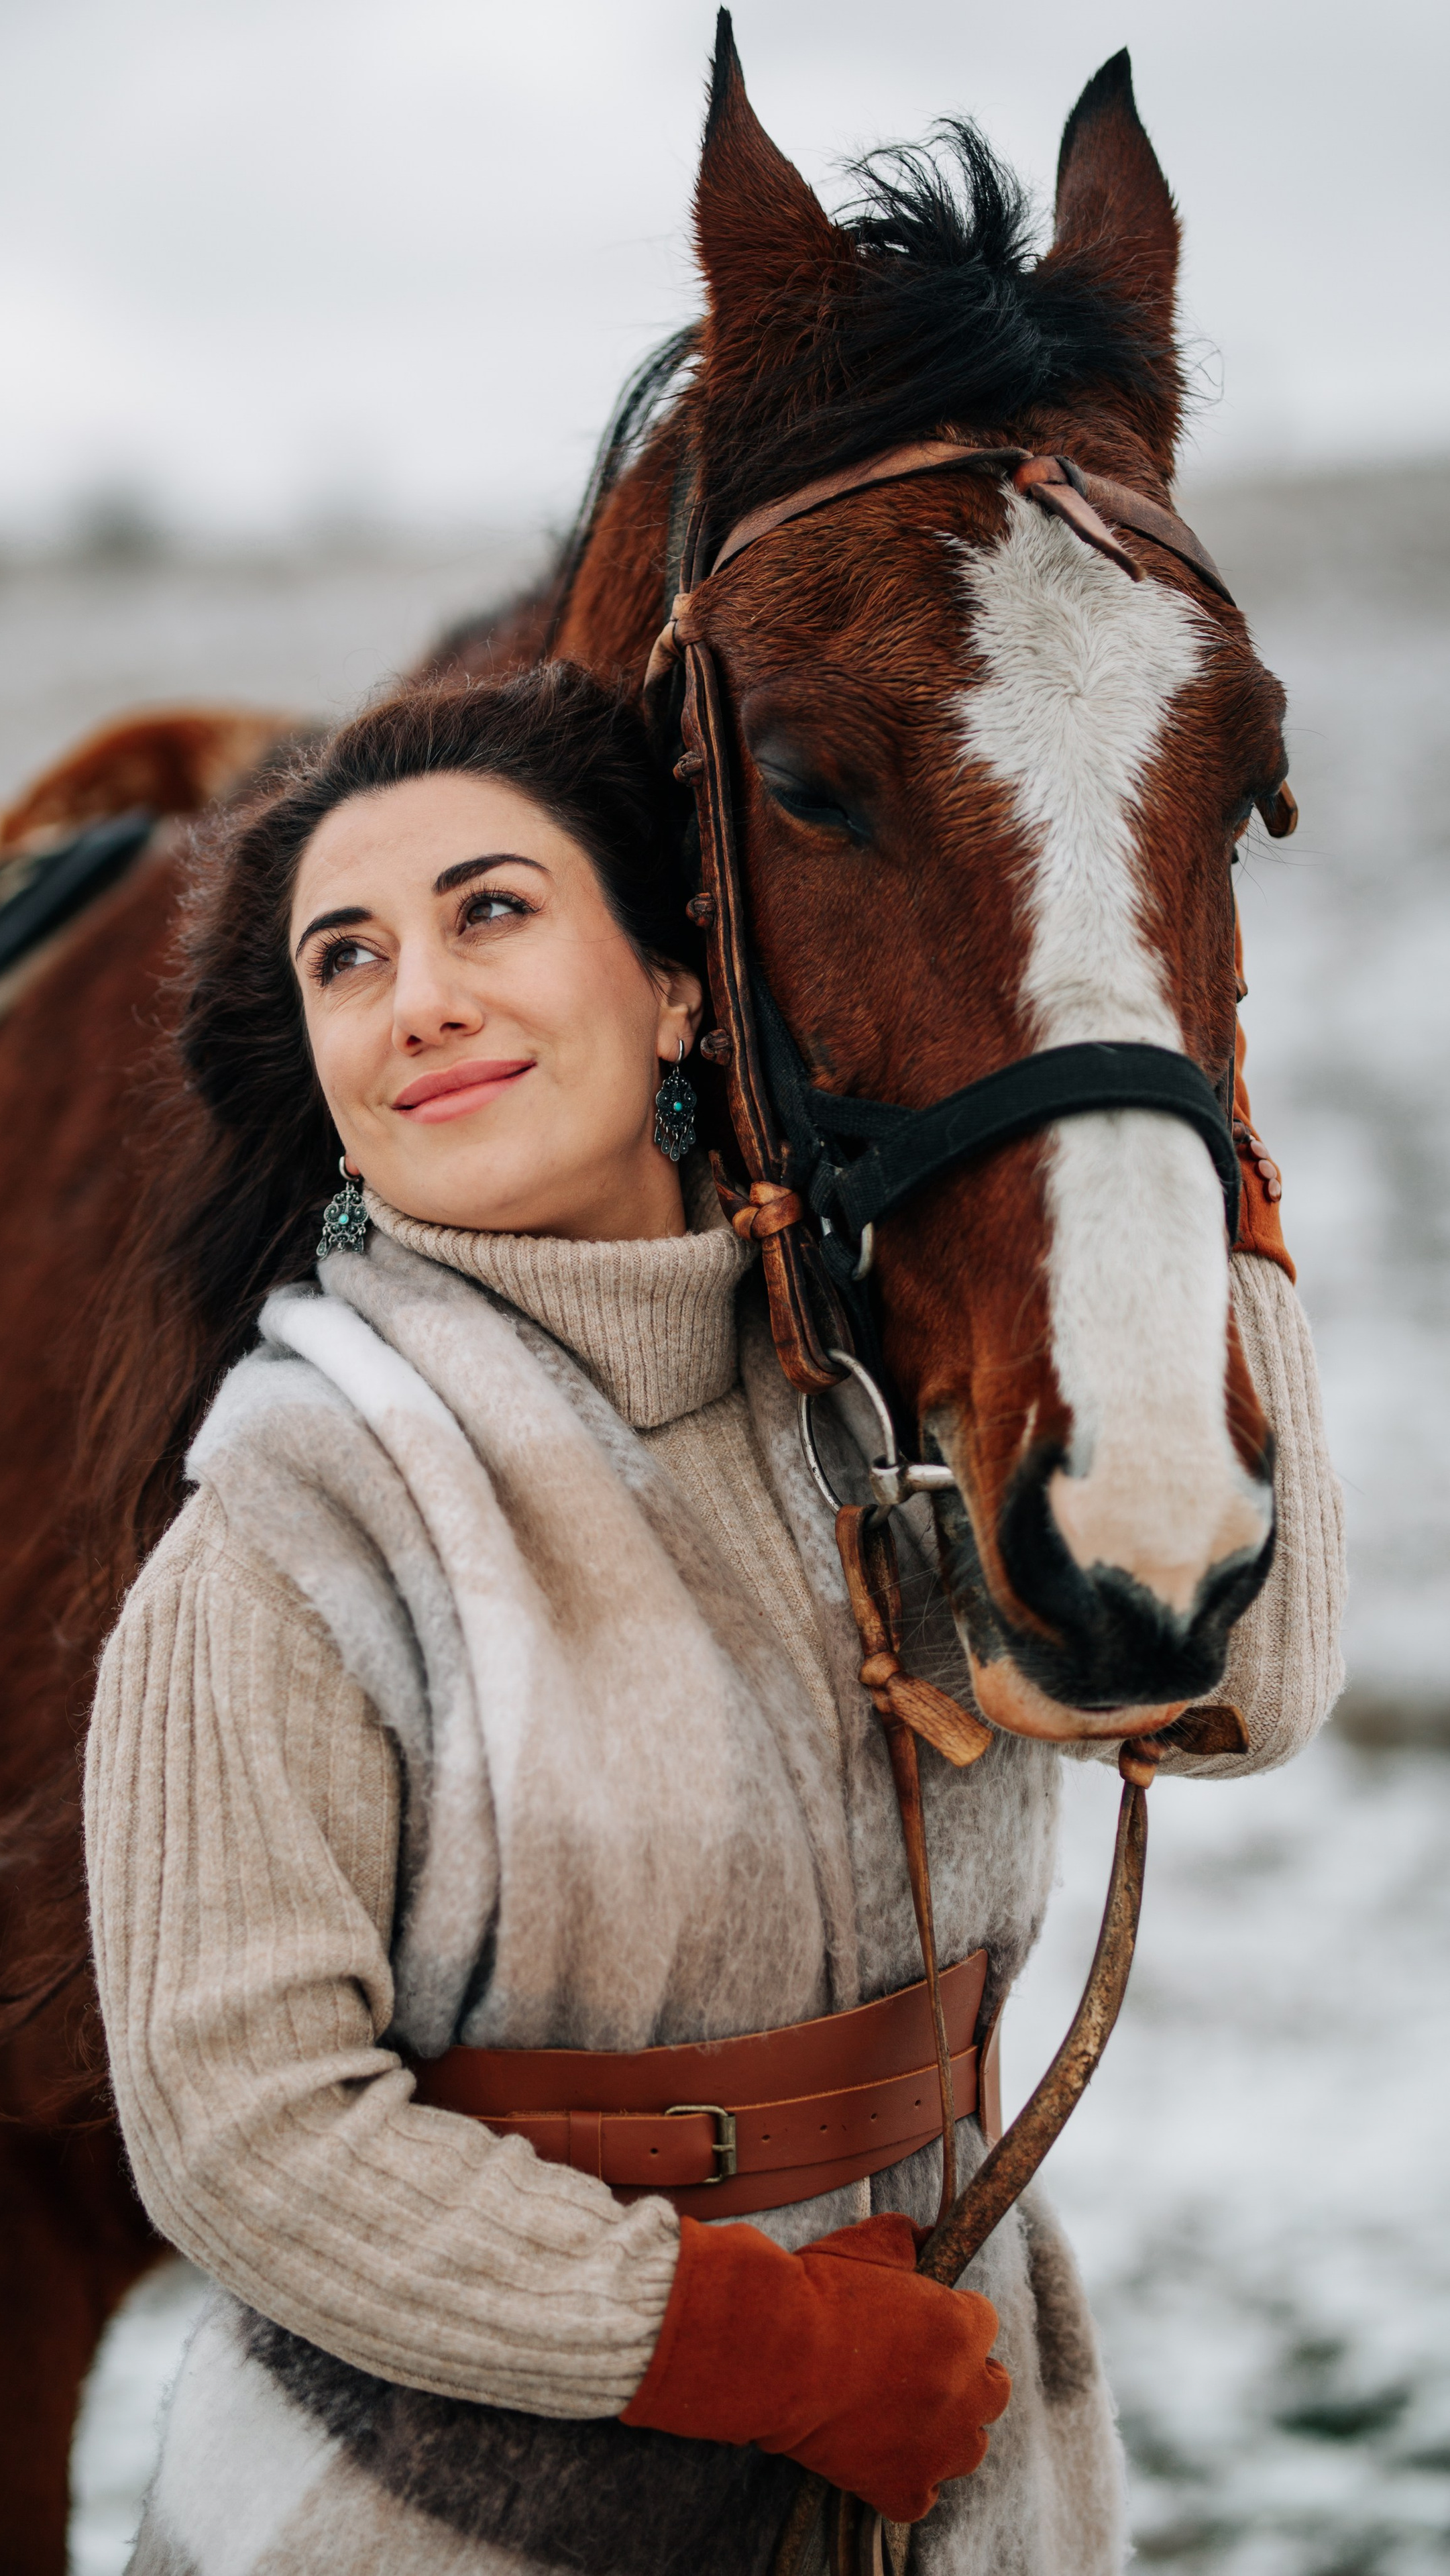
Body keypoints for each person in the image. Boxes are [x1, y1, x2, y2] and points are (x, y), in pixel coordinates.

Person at [84, 662, 1343, 2576]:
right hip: (444, 2519)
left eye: (489, 911)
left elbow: (1245, 1684)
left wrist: (1196, 1157)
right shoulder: (290, 1519)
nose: (417, 996)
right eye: (346, 960)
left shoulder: (873, 1412)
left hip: (960, 2470)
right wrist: (750, 2347)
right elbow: (239, 2131)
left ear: (675, 984)